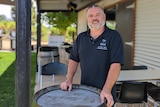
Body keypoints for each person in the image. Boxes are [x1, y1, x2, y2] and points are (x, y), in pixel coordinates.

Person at [60, 4, 124, 107]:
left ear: (104, 17)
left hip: (104, 94)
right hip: (85, 91)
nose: (94, 18)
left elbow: (116, 65)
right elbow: (74, 59)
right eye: (91, 16)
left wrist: (106, 89)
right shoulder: (81, 38)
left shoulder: (114, 36)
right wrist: (69, 79)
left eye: (98, 15)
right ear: (87, 19)